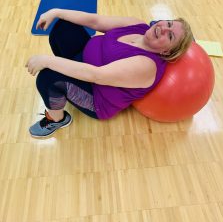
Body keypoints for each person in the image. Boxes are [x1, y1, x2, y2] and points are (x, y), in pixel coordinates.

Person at [26, 8, 193, 138]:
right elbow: (96, 21)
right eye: (169, 23)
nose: (163, 28)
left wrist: (48, 61)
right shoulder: (138, 25)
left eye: (170, 36)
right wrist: (55, 12)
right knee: (64, 27)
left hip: (96, 96)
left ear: (166, 52)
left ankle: (57, 119)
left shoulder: (146, 65)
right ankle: (64, 82)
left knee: (48, 77)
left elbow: (95, 75)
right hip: (85, 58)